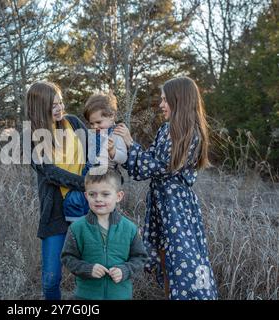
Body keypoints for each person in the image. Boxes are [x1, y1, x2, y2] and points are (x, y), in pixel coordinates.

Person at [113, 76, 218, 300]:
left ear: (178, 100)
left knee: (183, 263)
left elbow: (158, 167)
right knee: (165, 260)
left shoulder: (191, 134)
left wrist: (131, 143)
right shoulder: (166, 129)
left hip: (177, 208)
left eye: (165, 100)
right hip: (161, 204)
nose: (161, 105)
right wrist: (119, 153)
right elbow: (145, 165)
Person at [26, 81, 88, 300]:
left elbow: (95, 152)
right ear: (39, 107)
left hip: (85, 207)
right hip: (55, 212)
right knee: (51, 279)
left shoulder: (74, 123)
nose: (60, 108)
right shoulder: (32, 139)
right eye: (53, 105)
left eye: (61, 102)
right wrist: (87, 183)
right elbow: (51, 173)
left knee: (90, 272)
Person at [61, 168, 148, 300]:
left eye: (105, 194)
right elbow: (68, 258)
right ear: (86, 196)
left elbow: (140, 258)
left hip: (120, 295)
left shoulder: (129, 228)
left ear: (118, 196)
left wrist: (125, 270)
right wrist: (87, 269)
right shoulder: (77, 228)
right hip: (86, 296)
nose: (98, 199)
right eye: (92, 194)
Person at [63, 92, 128, 222]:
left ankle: (90, 223)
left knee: (95, 201)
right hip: (90, 171)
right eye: (91, 124)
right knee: (73, 198)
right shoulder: (94, 134)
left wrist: (113, 151)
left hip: (106, 173)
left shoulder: (116, 134)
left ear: (111, 116)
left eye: (98, 122)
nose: (95, 127)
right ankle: (76, 225)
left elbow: (123, 157)